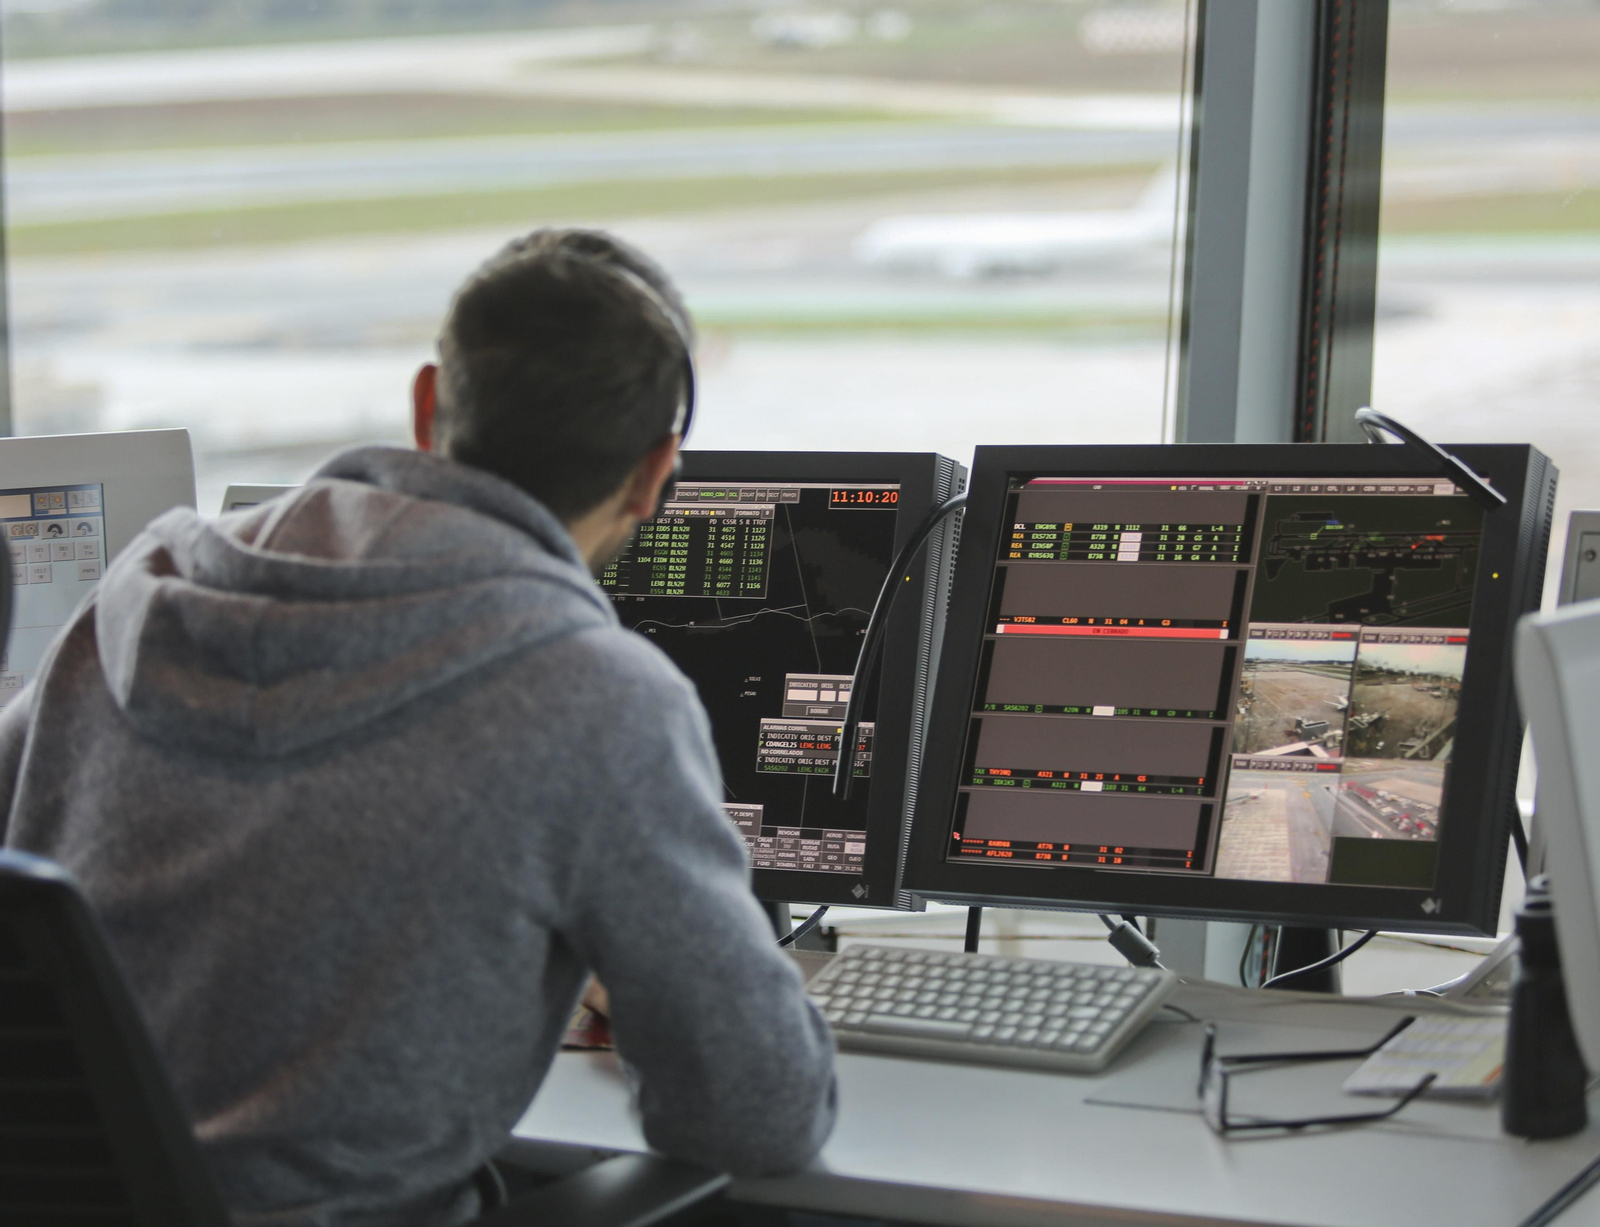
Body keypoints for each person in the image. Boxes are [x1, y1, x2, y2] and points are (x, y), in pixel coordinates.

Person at [0, 229, 837, 1227]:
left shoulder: (142, 593)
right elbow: (755, 1119)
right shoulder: (594, 697)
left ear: (429, 404)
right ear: (658, 470)